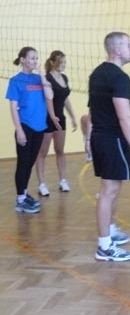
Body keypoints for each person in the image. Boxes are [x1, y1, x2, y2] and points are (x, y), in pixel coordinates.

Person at [89, 32, 130, 262]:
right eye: (129, 45)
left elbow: (92, 110)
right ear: (116, 49)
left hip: (101, 138)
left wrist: (88, 139)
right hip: (112, 139)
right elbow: (125, 117)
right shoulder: (119, 78)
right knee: (108, 191)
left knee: (113, 188)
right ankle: (104, 246)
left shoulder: (97, 73)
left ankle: (110, 229)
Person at [6, 46, 60, 213]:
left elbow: (50, 96)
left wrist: (42, 75)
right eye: (31, 58)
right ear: (23, 60)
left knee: (30, 162)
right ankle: (20, 200)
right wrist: (19, 130)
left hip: (40, 127)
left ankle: (23, 193)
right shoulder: (16, 80)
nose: (35, 61)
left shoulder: (39, 79)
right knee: (23, 163)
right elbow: (13, 107)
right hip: (25, 125)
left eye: (36, 58)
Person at [35, 50, 77, 196]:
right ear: (52, 62)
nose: (63, 65)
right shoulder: (46, 79)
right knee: (42, 152)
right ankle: (41, 184)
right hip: (46, 119)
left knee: (60, 150)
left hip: (60, 118)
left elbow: (65, 99)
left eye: (64, 62)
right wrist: (51, 116)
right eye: (60, 62)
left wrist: (73, 117)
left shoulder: (64, 78)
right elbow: (47, 99)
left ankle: (63, 180)